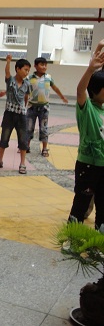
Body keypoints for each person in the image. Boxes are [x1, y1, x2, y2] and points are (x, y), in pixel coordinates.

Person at [66, 49, 104, 231]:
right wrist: (90, 70)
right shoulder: (87, 109)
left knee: (103, 207)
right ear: (96, 91)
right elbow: (80, 90)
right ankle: (72, 239)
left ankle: (99, 239)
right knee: (81, 204)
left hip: (103, 166)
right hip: (87, 166)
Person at [0, 55, 32, 174]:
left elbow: (26, 97)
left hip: (21, 116)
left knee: (23, 139)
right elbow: (7, 72)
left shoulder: (27, 84)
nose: (26, 72)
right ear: (17, 69)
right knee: (4, 136)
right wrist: (8, 61)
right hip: (9, 114)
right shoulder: (10, 81)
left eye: (28, 70)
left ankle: (22, 164)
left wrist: (24, 108)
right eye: (25, 69)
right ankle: (0, 160)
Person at [25, 57, 68, 156]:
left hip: (44, 108)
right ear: (35, 66)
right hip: (31, 107)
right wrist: (24, 105)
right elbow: (26, 93)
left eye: (45, 65)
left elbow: (55, 88)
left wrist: (62, 97)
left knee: (44, 128)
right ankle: (26, 146)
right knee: (29, 128)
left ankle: (44, 148)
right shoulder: (29, 78)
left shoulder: (48, 77)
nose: (44, 67)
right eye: (41, 65)